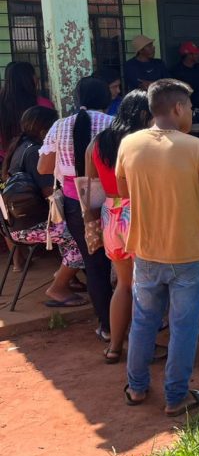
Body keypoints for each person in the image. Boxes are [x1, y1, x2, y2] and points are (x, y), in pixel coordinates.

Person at [119, 78, 199, 415]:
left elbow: (125, 192)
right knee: (184, 326)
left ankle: (137, 388)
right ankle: (176, 397)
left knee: (143, 322)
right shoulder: (197, 147)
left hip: (145, 249)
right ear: (178, 108)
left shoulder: (129, 144)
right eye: (190, 108)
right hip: (187, 253)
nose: (191, 114)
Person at [38, 76, 114, 339]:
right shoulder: (113, 124)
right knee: (126, 265)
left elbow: (44, 168)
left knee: (94, 266)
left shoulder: (59, 126)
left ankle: (106, 326)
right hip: (113, 201)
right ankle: (133, 322)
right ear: (106, 98)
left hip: (75, 205)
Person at [87, 90, 151, 363]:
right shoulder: (143, 142)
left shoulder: (97, 143)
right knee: (146, 287)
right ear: (143, 114)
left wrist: (90, 221)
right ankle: (144, 350)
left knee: (123, 285)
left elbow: (89, 189)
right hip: (138, 213)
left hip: (110, 215)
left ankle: (115, 347)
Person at [1, 106, 84, 307]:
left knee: (70, 231)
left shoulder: (19, 147)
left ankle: (66, 275)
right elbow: (49, 194)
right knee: (80, 239)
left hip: (14, 224)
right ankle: (58, 286)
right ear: (43, 131)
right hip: (29, 227)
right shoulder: (35, 153)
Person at [0, 61, 53, 157]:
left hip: (4, 162)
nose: (37, 78)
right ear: (28, 79)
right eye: (34, 74)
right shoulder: (43, 105)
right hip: (36, 161)